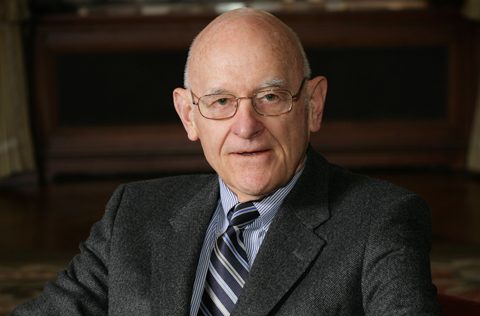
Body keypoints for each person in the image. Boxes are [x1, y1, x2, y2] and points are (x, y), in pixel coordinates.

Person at [13, 8, 440, 315]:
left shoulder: (381, 221)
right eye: (220, 102)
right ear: (188, 115)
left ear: (313, 104)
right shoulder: (133, 213)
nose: (246, 126)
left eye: (270, 97)